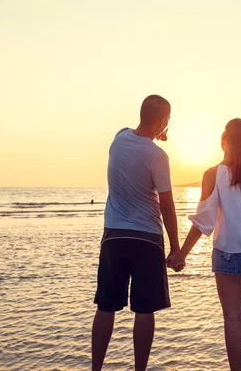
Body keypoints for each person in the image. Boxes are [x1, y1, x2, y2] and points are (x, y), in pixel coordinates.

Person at [168, 119, 241, 371]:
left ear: (225, 140)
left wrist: (180, 254)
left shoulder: (213, 174)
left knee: (233, 319)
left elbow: (204, 221)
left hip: (229, 253)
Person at [91, 95, 179, 371]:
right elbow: (166, 205)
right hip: (146, 238)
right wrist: (175, 248)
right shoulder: (158, 157)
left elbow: (140, 136)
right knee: (144, 309)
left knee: (106, 306)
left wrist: (157, 133)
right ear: (163, 120)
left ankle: (96, 369)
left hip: (114, 236)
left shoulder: (118, 138)